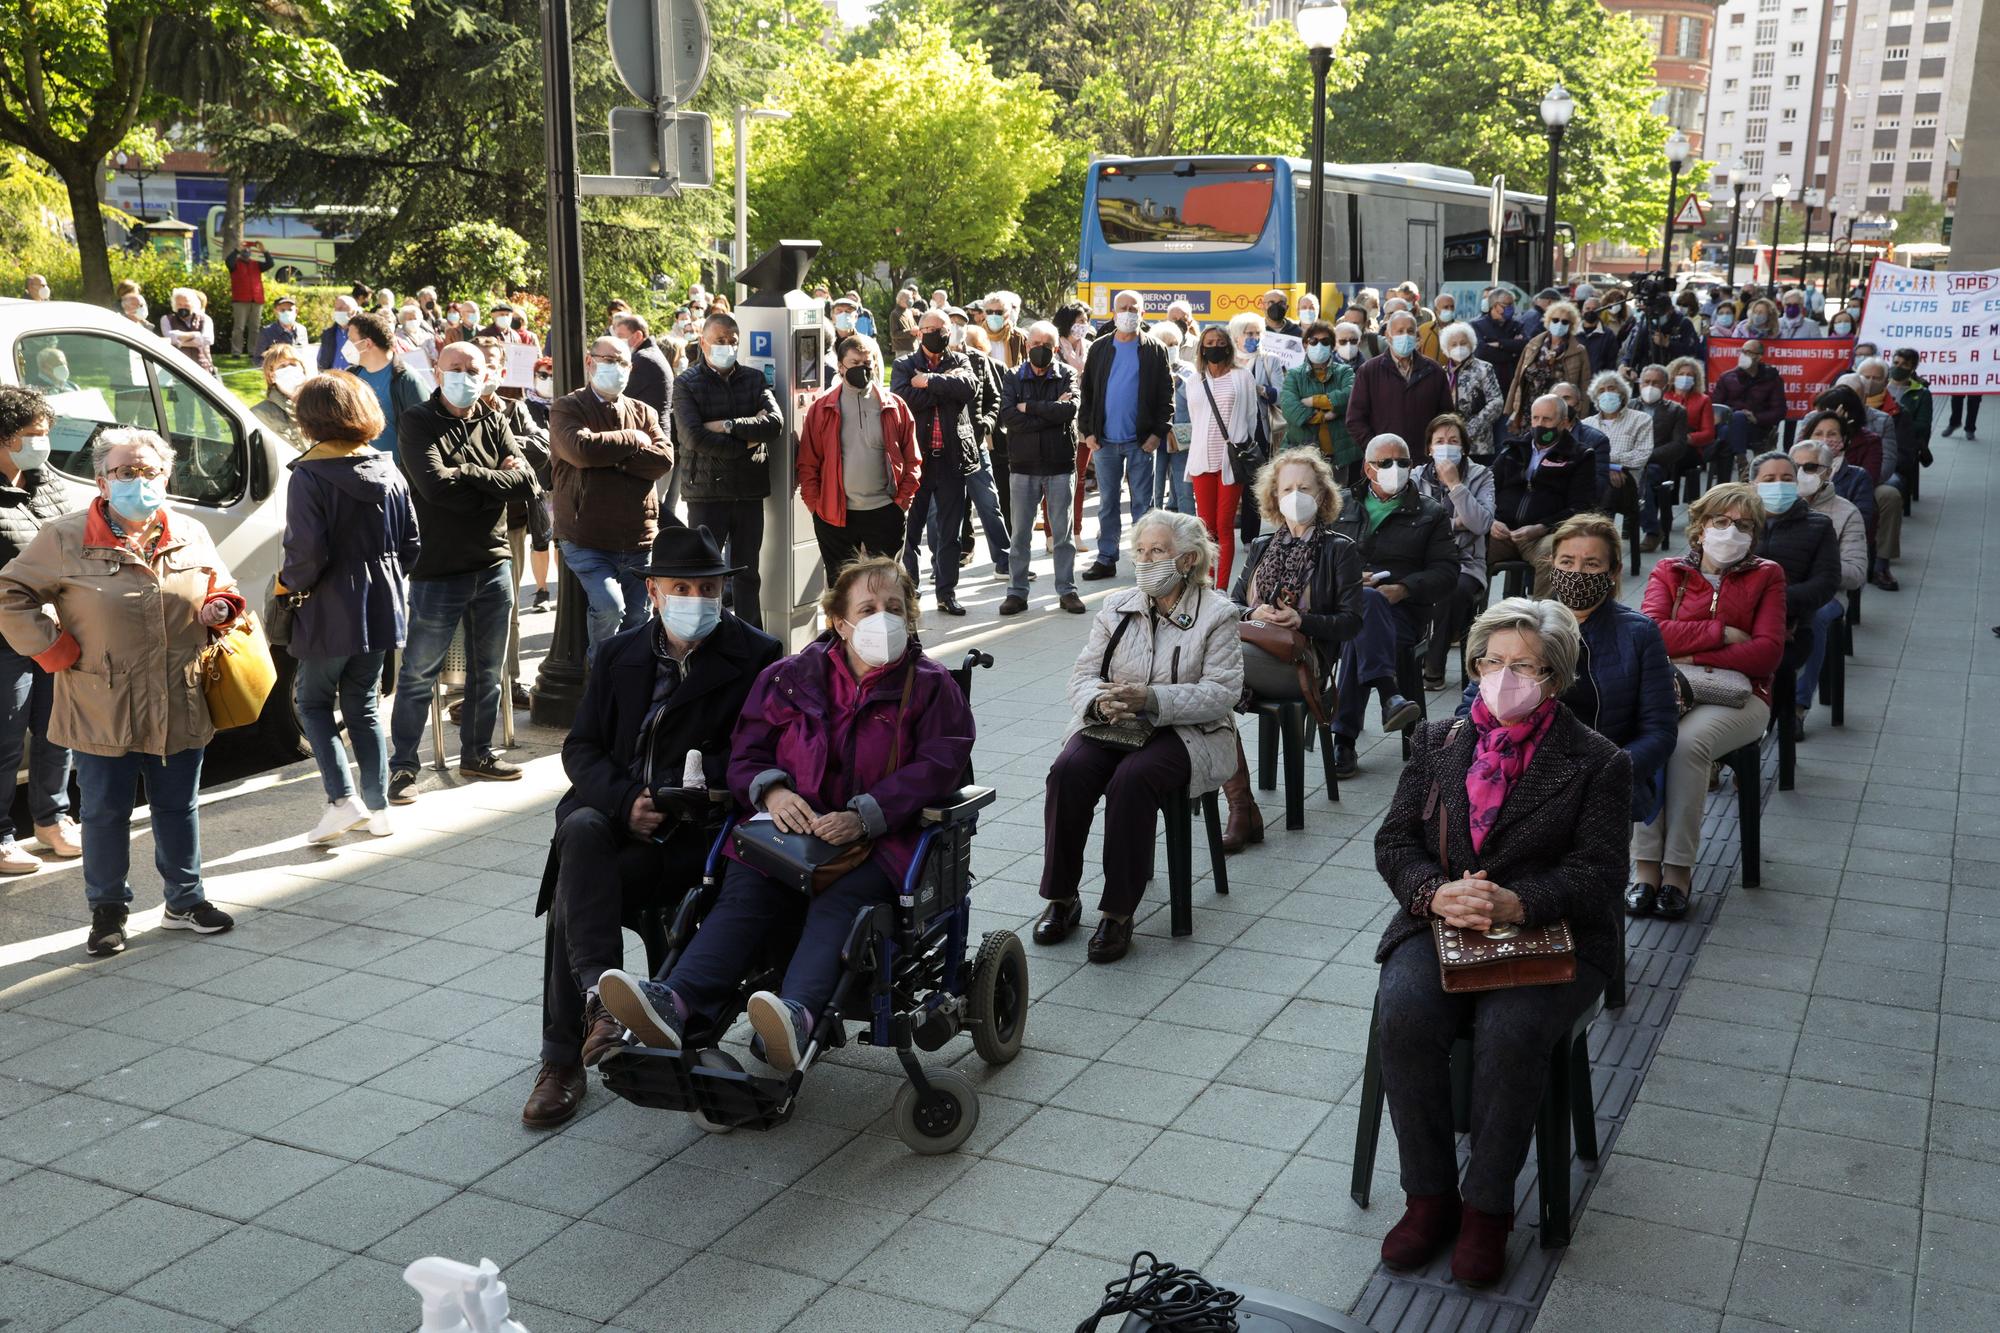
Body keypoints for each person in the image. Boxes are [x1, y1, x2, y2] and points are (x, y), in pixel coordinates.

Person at [595, 555, 974, 1072]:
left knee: (842, 900)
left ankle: (796, 1017)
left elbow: (942, 764)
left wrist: (866, 814)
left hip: (880, 842)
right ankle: (675, 1001)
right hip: (787, 835)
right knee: (743, 890)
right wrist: (771, 793)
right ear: (839, 622)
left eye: (894, 606)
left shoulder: (932, 686)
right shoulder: (791, 677)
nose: (883, 618)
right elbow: (746, 752)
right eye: (867, 608)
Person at [1373, 597, 1631, 1288]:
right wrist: (1435, 893)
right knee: (1403, 1009)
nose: (1504, 675)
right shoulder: (1437, 740)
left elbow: (1602, 873)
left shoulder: (1597, 760)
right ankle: (1428, 1197)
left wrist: (1522, 899)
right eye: (1492, 660)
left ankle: (1487, 1207)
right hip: (1448, 919)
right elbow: (1395, 840)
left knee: (1512, 1028)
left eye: (1524, 665)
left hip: (1556, 931)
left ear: (1555, 676)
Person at [522, 525, 783, 1127]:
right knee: (582, 831)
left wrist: (679, 792)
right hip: (612, 823)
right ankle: (599, 1006)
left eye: (707, 587)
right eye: (681, 587)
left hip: (694, 838)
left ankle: (567, 1050)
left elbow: (763, 752)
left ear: (722, 591)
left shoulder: (757, 657)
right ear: (656, 594)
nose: (696, 598)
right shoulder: (617, 653)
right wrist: (626, 802)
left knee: (574, 892)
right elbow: (581, 749)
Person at [0, 429, 245, 957]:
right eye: (125, 472)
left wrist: (221, 608)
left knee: (178, 807)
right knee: (105, 813)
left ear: (166, 476)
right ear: (101, 481)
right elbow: (9, 592)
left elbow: (220, 585)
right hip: (99, 703)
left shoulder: (190, 530)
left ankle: (186, 900)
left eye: (149, 471)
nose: (139, 481)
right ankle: (108, 909)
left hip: (177, 696)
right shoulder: (66, 537)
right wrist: (52, 650)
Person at [1034, 511, 1242, 963]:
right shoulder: (1118, 607)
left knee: (1133, 780)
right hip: (1117, 723)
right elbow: (1083, 675)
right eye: (1141, 551)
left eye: (1158, 552)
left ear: (1186, 560)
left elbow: (1223, 693)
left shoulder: (1218, 613)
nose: (1146, 561)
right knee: (1067, 771)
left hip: (1189, 732)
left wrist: (1152, 699)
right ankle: (1061, 898)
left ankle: (1117, 912)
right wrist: (1099, 702)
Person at [1629, 483, 1787, 920]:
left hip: (1741, 697)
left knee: (1683, 745)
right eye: (1721, 521)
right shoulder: (1668, 570)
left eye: (1743, 525)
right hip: (1674, 690)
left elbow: (1767, 653)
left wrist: (1687, 650)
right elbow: (1651, 632)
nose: (1730, 531)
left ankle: (1676, 870)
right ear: (1699, 527)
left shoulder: (1767, 574)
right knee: (1652, 738)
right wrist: (1720, 634)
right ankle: (1644, 868)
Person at [386, 342, 535, 803]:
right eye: (455, 368)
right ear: (436, 370)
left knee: (488, 672)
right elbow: (432, 487)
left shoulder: (495, 418)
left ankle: (477, 753)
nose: (465, 376)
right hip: (438, 569)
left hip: (493, 565)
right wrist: (493, 478)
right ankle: (403, 767)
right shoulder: (418, 421)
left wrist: (466, 471)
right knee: (418, 674)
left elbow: (527, 483)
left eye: (473, 368)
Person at [1459, 515, 1677, 823]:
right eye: (1567, 561)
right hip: (1514, 779)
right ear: (1551, 564)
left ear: (1614, 571)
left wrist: (1606, 772)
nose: (1577, 572)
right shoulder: (1521, 625)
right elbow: (1471, 705)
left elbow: (1659, 732)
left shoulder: (1638, 635)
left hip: (1599, 785)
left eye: (1591, 564)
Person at [281, 371, 420, 843]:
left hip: (329, 604)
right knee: (362, 703)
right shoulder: (388, 468)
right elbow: (412, 544)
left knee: (312, 701)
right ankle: (377, 807)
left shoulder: (309, 476)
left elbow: (305, 556)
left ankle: (342, 800)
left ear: (309, 419)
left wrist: (287, 588)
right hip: (383, 601)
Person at [1226, 448, 1364, 846]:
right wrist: (1257, 611)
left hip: (1304, 663)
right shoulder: (1262, 546)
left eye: (1305, 487)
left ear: (1322, 495)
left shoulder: (1340, 549)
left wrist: (1300, 620)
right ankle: (1241, 804)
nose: (1296, 494)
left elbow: (1352, 622)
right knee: (1211, 687)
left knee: (1207, 673)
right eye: (1288, 487)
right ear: (1274, 495)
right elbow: (1231, 605)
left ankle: (1240, 809)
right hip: (1253, 648)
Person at [1327, 434, 1456, 777]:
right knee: (1363, 605)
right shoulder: (1339, 506)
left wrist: (1403, 588)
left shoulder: (1431, 512)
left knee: (1363, 620)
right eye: (1386, 463)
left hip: (1402, 613)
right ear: (1368, 469)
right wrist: (1350, 581)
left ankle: (1343, 738)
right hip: (1339, 609)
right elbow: (1317, 560)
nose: (1395, 469)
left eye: (1403, 462)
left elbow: (1447, 572)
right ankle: (1390, 694)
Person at [550, 335, 676, 649]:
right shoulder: (568, 408)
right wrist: (633, 439)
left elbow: (663, 459)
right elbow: (581, 450)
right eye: (609, 360)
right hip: (586, 538)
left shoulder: (644, 411)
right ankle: (601, 677)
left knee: (638, 618)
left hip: (638, 537)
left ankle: (628, 681)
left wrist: (611, 460)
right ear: (590, 362)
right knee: (610, 607)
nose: (616, 368)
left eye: (622, 362)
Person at [0, 388, 79, 873]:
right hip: (5, 637)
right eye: (32, 435)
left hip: (54, 632)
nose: (42, 444)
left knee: (58, 730)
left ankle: (53, 820)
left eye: (46, 433)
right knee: (5, 738)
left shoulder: (45, 481)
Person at [673, 312, 784, 628]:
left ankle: (752, 639)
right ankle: (704, 635)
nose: (726, 347)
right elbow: (693, 437)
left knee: (749, 573)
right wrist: (745, 443)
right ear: (703, 343)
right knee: (705, 574)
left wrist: (729, 425)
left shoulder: (753, 378)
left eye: (732, 342)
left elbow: (774, 424)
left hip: (748, 491)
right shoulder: (686, 383)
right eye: (719, 341)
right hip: (706, 494)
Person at [797, 333, 919, 575]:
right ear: (841, 367)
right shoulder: (821, 409)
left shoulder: (895, 406)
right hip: (835, 516)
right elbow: (808, 463)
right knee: (842, 590)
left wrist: (901, 502)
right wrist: (816, 508)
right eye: (855, 363)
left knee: (886, 585)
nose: (862, 369)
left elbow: (912, 459)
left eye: (867, 363)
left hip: (885, 511)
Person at [1078, 290, 1174, 582]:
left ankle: (1146, 559)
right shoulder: (1099, 348)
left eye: (1134, 308)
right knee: (1107, 502)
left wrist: (1158, 434)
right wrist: (1088, 433)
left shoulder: (1155, 349)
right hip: (1104, 441)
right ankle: (1106, 557)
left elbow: (1165, 396)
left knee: (1143, 504)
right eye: (1123, 308)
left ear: (1143, 314)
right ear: (1114, 311)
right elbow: (1088, 393)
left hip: (1140, 442)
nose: (1129, 312)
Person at [891, 308, 980, 616]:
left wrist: (927, 381)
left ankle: (947, 592)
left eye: (941, 330)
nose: (936, 334)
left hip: (953, 460)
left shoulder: (961, 361)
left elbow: (968, 389)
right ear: (919, 332)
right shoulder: (903, 365)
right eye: (929, 328)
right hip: (917, 461)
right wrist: (944, 388)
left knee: (950, 533)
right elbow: (904, 398)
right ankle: (910, 591)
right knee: (910, 532)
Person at [998, 322, 1088, 617]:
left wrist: (1031, 407)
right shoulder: (1012, 377)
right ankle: (1017, 592)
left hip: (1060, 465)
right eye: (1035, 343)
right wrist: (1049, 410)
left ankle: (1067, 590)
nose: (1040, 349)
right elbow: (1010, 417)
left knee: (1062, 535)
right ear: (1027, 346)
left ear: (1055, 348)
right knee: (1020, 535)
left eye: (1046, 345)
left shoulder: (1066, 374)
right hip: (1023, 465)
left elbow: (1069, 411)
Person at [1789, 438, 1864, 734]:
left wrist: (1817, 570)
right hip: (1778, 590)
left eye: (1810, 467)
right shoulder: (1770, 507)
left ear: (1828, 471)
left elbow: (1856, 573)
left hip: (1826, 595)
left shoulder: (1846, 513)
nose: (1801, 473)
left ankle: (1796, 705)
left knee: (1813, 615)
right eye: (1795, 467)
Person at [1413, 415, 1494, 690]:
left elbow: (1482, 523)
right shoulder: (1416, 476)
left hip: (1466, 562)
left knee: (1451, 589)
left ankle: (1432, 668)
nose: (1446, 447)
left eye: (1453, 441)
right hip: (1423, 559)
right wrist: (1455, 523)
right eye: (1439, 441)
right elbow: (1412, 525)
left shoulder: (1482, 475)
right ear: (1429, 448)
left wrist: (1456, 485)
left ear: (1464, 448)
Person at [1486, 395, 1598, 573]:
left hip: (1545, 535)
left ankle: (1542, 602)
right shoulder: (1512, 449)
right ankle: (1470, 600)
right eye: (1535, 418)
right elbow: (1486, 489)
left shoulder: (1580, 456)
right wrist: (1491, 521)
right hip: (1503, 532)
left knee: (1553, 556)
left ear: (1562, 423)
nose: (1539, 424)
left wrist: (1542, 527)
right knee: (1468, 549)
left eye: (1547, 419)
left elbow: (1581, 507)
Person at [1185, 324, 1258, 587]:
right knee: (1206, 529)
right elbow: (1196, 419)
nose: (1214, 347)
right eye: (1209, 342)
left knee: (1224, 525)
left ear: (1227, 345)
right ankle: (1206, 583)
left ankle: (1222, 589)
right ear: (1201, 348)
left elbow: (1251, 418)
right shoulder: (1194, 380)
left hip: (1231, 462)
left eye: (1219, 342)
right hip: (1201, 461)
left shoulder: (1242, 377)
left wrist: (1241, 447)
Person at [1346, 312, 1454, 464]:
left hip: (1425, 462)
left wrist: (1436, 448)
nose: (1406, 336)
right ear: (1388, 336)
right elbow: (1355, 420)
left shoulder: (1434, 371)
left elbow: (1446, 416)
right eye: (1400, 331)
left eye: (1410, 331)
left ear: (1417, 336)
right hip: (1383, 463)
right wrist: (1377, 451)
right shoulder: (1369, 371)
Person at [1278, 320, 1359, 482]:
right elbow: (1289, 408)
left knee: (1338, 502)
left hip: (1338, 456)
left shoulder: (1345, 372)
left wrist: (1314, 401)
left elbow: (1350, 396)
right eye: (1313, 341)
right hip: (1302, 454)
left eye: (1325, 341)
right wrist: (1323, 416)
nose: (1319, 345)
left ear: (1333, 346)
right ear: (1305, 345)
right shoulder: (1294, 375)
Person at [345, 312, 428, 465]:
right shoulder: (351, 376)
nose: (347, 346)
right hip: (359, 470)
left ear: (367, 343)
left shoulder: (407, 379)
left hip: (398, 473)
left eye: (351, 340)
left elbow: (425, 433)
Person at [1502, 300, 1589, 433]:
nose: (1559, 324)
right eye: (1555, 320)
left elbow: (1584, 386)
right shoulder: (1533, 344)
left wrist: (1582, 416)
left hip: (1558, 412)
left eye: (1565, 322)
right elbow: (1518, 378)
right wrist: (1510, 409)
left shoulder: (1578, 350)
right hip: (1529, 408)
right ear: (1548, 320)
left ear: (1571, 325)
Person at [1581, 371, 1651, 536]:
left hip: (1627, 483)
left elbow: (1641, 456)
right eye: (1601, 390)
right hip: (1593, 478)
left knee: (1609, 488)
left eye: (1611, 388)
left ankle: (1602, 537)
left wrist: (1606, 462)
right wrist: (1608, 466)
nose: (1606, 393)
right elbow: (1581, 457)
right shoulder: (1586, 423)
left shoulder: (1641, 419)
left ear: (1622, 393)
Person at [1632, 364, 1692, 548]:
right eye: (1646, 382)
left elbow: (1678, 445)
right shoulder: (1629, 405)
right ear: (1640, 384)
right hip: (1627, 460)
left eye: (1656, 383)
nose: (1650, 386)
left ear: (1665, 386)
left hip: (1657, 464)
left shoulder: (1676, 411)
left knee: (1644, 477)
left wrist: (1646, 456)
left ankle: (1652, 530)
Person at [1710, 339, 1785, 478]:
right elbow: (1716, 407)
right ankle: (1742, 463)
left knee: (1726, 438)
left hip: (1757, 427)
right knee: (1736, 420)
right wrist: (1732, 415)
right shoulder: (1727, 377)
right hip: (1729, 423)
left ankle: (1726, 480)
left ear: (1759, 356)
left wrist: (1756, 418)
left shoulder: (1771, 378)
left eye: (1748, 352)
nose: (1743, 355)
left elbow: (1779, 411)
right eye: (1742, 351)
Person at [1437, 321, 1505, 460]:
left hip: (1479, 445)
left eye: (1463, 343)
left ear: (1472, 344)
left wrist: (1468, 430)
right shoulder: (1441, 373)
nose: (1459, 347)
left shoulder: (1484, 368)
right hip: (1448, 445)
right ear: (1446, 348)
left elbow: (1496, 402)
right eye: (1454, 344)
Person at [1665, 356, 1717, 482]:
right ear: (1672, 376)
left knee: (1674, 454)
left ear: (1695, 378)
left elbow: (1709, 433)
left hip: (1689, 448)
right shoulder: (1663, 396)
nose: (1685, 377)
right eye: (1681, 374)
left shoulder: (1703, 400)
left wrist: (1686, 438)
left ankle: (1670, 498)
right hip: (1663, 443)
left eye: (1689, 375)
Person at [251, 344, 310, 451]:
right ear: (272, 376)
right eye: (282, 366)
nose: (289, 369)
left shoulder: (318, 406)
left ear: (303, 370)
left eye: (293, 364)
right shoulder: (259, 414)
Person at [1470, 288, 1528, 391]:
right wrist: (1512, 352)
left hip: (1511, 382)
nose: (1510, 308)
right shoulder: (1478, 325)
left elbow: (1525, 346)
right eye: (1506, 305)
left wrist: (1500, 344)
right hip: (1486, 383)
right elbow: (1481, 352)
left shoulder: (1517, 325)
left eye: (1512, 304)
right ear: (1494, 305)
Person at [224, 241, 274, 356]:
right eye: (244, 250)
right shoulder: (234, 264)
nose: (246, 252)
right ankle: (236, 352)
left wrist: (264, 251)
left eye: (248, 250)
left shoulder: (256, 264)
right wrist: (236, 249)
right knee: (239, 328)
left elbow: (270, 263)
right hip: (240, 300)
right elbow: (228, 261)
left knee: (255, 328)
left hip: (256, 300)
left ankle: (253, 351)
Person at [159, 289, 215, 374]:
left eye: (186, 304)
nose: (183, 307)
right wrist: (196, 335)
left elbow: (208, 340)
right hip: (178, 367)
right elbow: (169, 338)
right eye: (179, 304)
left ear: (193, 304)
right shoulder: (166, 319)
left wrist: (180, 341)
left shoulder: (205, 319)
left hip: (202, 367)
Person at [979, 292, 1028, 368]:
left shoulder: (1018, 337)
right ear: (984, 314)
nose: (994, 315)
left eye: (999, 312)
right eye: (989, 312)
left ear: (1007, 314)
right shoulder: (976, 336)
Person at [317, 295, 360, 371]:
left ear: (353, 311)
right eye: (336, 309)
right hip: (332, 379)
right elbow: (321, 360)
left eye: (341, 308)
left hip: (354, 379)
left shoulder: (363, 334)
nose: (338, 312)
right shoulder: (328, 334)